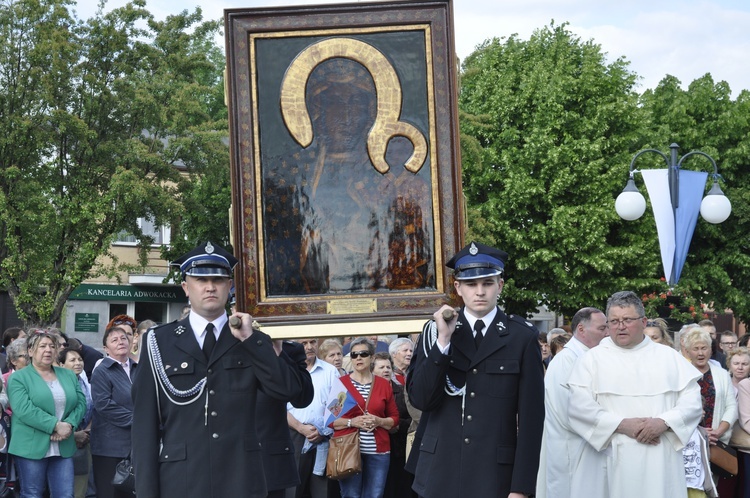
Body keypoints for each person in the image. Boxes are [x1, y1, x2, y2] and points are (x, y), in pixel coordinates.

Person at [132, 241, 309, 498]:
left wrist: (254, 342)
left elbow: (291, 392)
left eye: (218, 279)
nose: (210, 286)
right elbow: (144, 426)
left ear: (229, 286)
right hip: (181, 481)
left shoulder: (251, 337)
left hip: (242, 479)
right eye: (200, 279)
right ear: (185, 287)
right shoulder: (158, 341)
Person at [407, 241, 544, 497]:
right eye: (471, 284)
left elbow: (531, 420)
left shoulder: (521, 337)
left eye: (488, 283)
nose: (479, 292)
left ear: (500, 285)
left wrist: (521, 487)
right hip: (440, 469)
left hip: (494, 474)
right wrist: (443, 343)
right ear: (458, 288)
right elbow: (422, 399)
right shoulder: (435, 331)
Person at [567, 291, 703, 498]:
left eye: (627, 320)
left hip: (659, 457)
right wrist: (621, 424)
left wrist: (663, 422)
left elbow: (692, 403)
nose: (620, 326)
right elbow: (579, 407)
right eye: (614, 321)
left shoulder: (668, 357)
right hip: (608, 456)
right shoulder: (590, 360)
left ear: (643, 321)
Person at [536, 307, 609, 498]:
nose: (607, 333)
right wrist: (615, 427)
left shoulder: (591, 357)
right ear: (582, 330)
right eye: (602, 328)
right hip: (572, 451)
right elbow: (570, 412)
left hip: (591, 449)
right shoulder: (566, 360)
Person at [7, 330, 87, 498]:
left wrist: (69, 425)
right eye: (42, 346)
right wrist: (56, 425)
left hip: (63, 445)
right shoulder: (19, 378)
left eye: (52, 346)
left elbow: (81, 402)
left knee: (65, 494)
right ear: (30, 351)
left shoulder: (68, 375)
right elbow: (24, 409)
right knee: (32, 494)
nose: (48, 350)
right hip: (31, 445)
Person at [329, 339, 398, 498]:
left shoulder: (383, 384)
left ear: (372, 358)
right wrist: (352, 422)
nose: (358, 358)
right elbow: (331, 420)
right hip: (348, 450)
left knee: (375, 495)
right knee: (350, 495)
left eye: (363, 354)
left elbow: (394, 418)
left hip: (378, 451)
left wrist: (379, 421)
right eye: (354, 355)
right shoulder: (342, 384)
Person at [683, 325, 737, 496]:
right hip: (688, 443)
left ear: (710, 350)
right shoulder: (682, 374)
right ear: (688, 352)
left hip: (715, 442)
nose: (700, 353)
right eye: (696, 349)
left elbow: (731, 407)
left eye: (704, 348)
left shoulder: (721, 374)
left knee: (713, 486)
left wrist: (717, 432)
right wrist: (699, 434)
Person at [257, 340, 315, 498]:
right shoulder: (226, 340)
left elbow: (302, 398)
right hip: (232, 454)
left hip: (271, 455)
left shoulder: (290, 349)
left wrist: (280, 355)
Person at [286, 338, 339, 498]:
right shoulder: (287, 370)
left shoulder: (330, 371)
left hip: (323, 437)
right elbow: (278, 407)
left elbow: (339, 403)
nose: (309, 347)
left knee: (322, 491)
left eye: (313, 342)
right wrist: (300, 427)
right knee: (293, 490)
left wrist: (324, 430)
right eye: (304, 343)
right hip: (294, 434)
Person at [90, 325, 137, 498]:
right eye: (114, 340)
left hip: (135, 445)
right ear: (105, 348)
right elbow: (103, 405)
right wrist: (138, 420)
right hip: (109, 447)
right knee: (109, 494)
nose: (120, 342)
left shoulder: (138, 368)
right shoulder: (102, 370)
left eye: (123, 338)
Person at [371, 352, 412, 498]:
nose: (386, 370)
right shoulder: (368, 393)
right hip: (374, 448)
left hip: (398, 450)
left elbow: (413, 420)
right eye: (381, 367)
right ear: (372, 371)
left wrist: (395, 425)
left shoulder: (402, 391)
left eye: (388, 367)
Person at [58, 347, 94, 498]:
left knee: (81, 486)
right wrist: (74, 434)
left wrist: (87, 431)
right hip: (64, 440)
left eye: (80, 359)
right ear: (61, 365)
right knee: (63, 488)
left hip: (85, 439)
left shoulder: (85, 383)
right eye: (72, 360)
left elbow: (94, 409)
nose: (78, 363)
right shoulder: (58, 386)